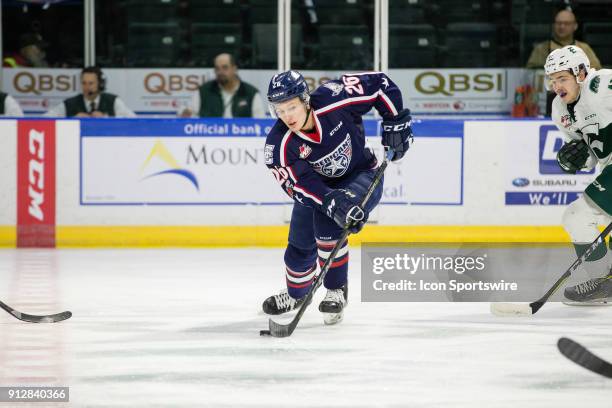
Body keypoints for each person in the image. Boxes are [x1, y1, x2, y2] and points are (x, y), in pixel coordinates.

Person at [261, 70, 413, 324]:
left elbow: (379, 84)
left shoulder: (335, 97)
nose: (287, 116)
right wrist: (331, 201)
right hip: (321, 189)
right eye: (280, 110)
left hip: (362, 174)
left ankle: (336, 289)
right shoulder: (279, 146)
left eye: (291, 107)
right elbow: (300, 185)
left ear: (305, 100)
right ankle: (297, 293)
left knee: (327, 225)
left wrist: (395, 120)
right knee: (298, 245)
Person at [545, 45, 612, 304]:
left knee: (580, 213)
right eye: (552, 80)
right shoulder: (559, 110)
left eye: (562, 78)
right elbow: (587, 156)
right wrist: (572, 160)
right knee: (575, 217)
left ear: (581, 73)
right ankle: (604, 280)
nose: (556, 86)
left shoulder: (601, 84)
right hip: (609, 169)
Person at [179, 53, 266, 118]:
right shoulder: (204, 91)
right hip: (209, 139)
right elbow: (186, 113)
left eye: (225, 68)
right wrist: (184, 113)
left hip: (241, 140)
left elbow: (260, 122)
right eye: (217, 68)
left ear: (234, 69)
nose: (220, 72)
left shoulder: (250, 93)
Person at [45, 66, 135, 117]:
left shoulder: (113, 101)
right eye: (84, 83)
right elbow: (45, 119)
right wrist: (72, 120)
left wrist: (106, 119)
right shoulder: (70, 103)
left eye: (91, 83)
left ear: (100, 84)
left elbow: (133, 120)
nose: (87, 87)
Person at [527, 9, 601, 70]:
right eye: (558, 23)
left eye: (567, 23)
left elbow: (596, 70)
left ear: (575, 26)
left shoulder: (584, 48)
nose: (562, 26)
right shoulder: (541, 48)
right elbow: (530, 71)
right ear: (553, 25)